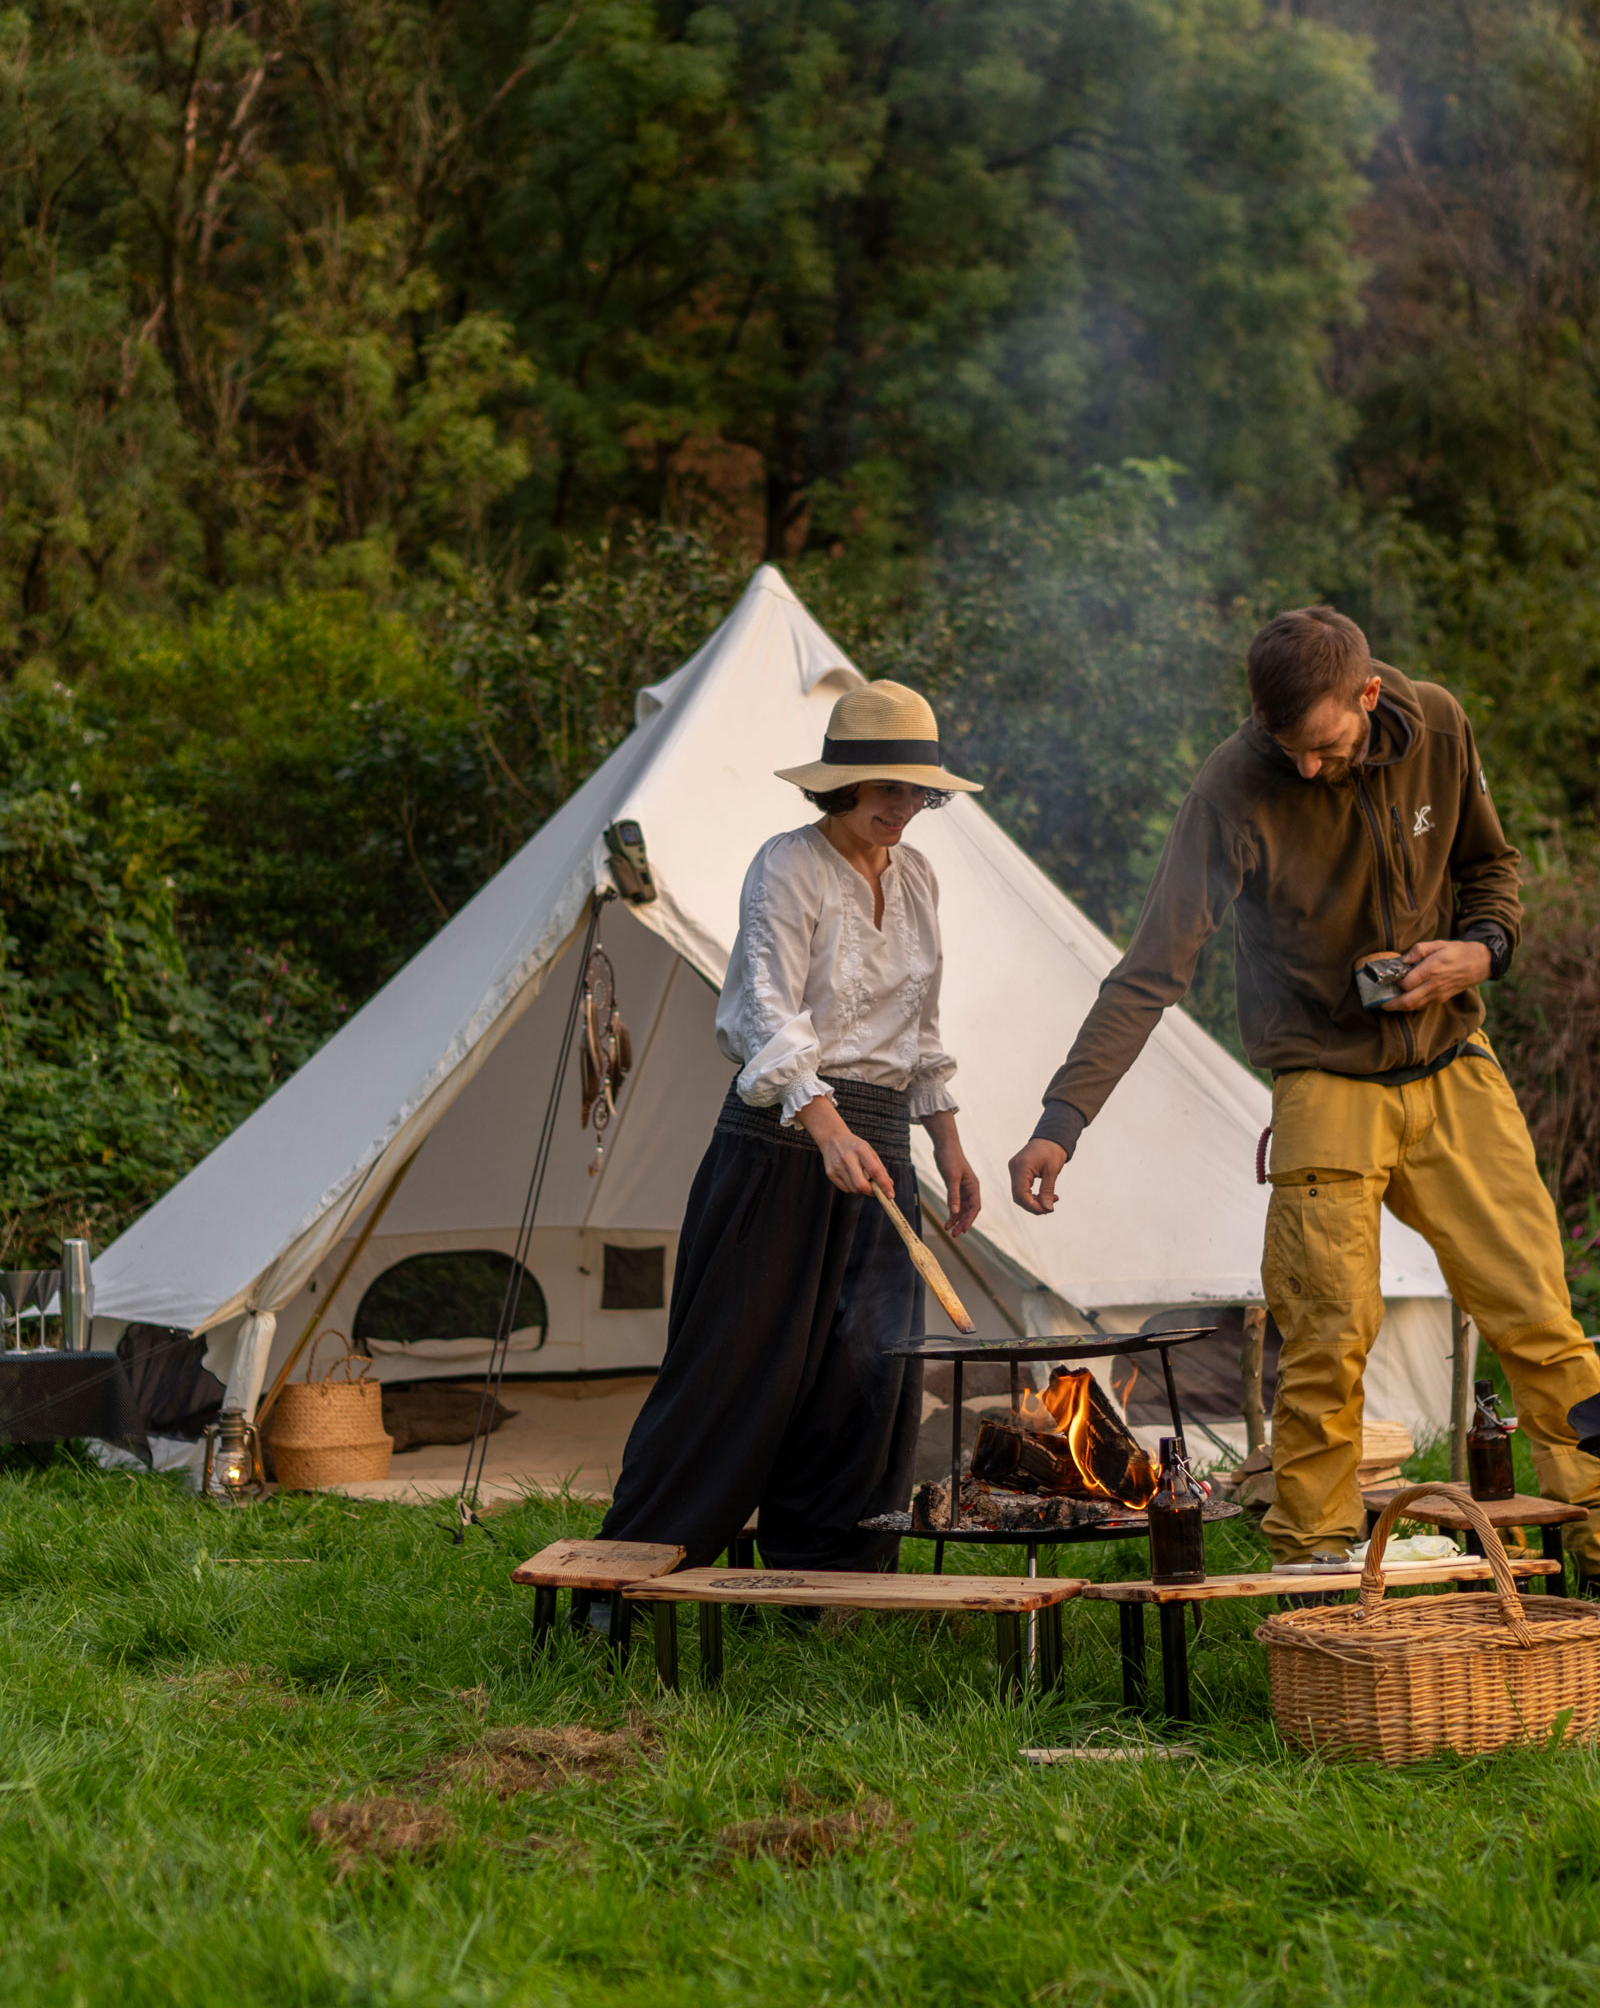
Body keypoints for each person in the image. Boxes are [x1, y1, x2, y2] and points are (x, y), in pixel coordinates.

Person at [1007, 606, 1600, 1578]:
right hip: (1324, 1078)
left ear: (1367, 696)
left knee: (1538, 1318)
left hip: (1453, 1065)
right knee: (1325, 1332)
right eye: (1290, 751)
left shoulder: (1440, 727)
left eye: (1323, 748)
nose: (1309, 769)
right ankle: (1316, 1565)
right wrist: (1060, 1122)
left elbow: (1489, 868)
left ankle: (1595, 1531)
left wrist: (1477, 952)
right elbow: (1152, 970)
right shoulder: (1234, 787)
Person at [599, 679, 983, 1580]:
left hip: (882, 1146)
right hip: (778, 1146)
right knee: (736, 1371)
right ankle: (634, 1570)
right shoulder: (788, 865)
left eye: (919, 790)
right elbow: (762, 1013)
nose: (905, 807)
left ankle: (826, 1583)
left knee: (869, 1375)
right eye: (887, 787)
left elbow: (921, 1031)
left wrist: (949, 1142)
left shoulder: (919, 879)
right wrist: (823, 1122)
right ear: (840, 786)